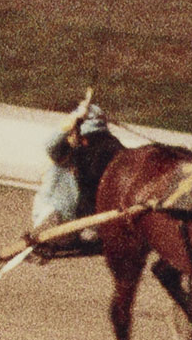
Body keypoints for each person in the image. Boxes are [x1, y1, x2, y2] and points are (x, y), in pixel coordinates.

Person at [30, 94, 124, 247]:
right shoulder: (62, 153)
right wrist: (74, 117)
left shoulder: (105, 153)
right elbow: (50, 144)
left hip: (79, 225)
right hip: (53, 216)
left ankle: (91, 227)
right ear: (75, 133)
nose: (94, 145)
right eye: (88, 138)